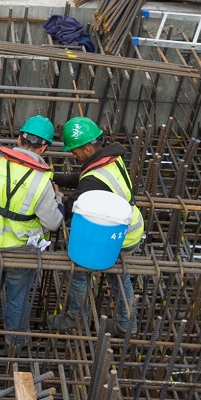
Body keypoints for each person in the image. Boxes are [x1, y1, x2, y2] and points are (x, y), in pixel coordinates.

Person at [0, 115, 64, 349]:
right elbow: (52, 223)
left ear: (19, 138)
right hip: (21, 251)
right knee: (18, 297)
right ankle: (16, 340)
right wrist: (58, 197)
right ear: (44, 147)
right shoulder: (43, 180)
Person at [61, 117, 143, 334]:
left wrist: (48, 199)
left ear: (88, 150)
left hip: (118, 236)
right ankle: (128, 324)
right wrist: (56, 178)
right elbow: (83, 179)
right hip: (128, 226)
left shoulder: (95, 178)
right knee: (117, 273)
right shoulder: (111, 159)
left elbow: (68, 209)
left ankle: (76, 317)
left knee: (80, 270)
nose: (72, 155)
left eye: (74, 151)